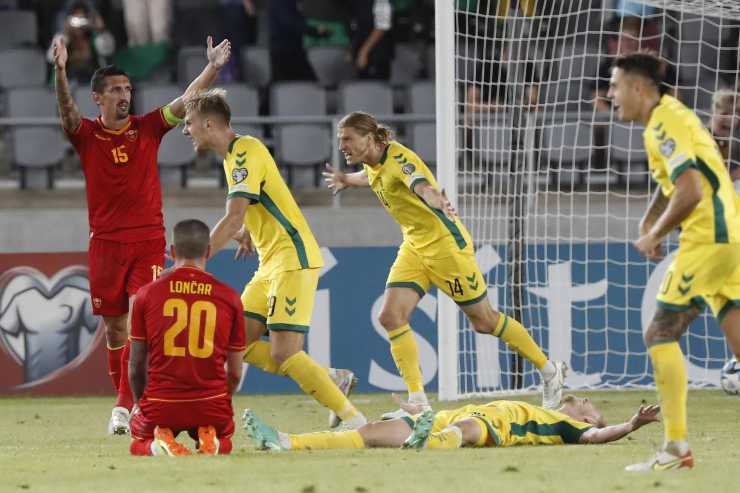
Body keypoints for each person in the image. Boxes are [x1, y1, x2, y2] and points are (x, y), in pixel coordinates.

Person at [322, 112, 567, 418]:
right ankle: (419, 403)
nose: (341, 145)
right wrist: (347, 179)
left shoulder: (399, 159)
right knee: (390, 316)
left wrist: (436, 198)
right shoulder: (373, 163)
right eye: (340, 139)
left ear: (369, 138)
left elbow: (420, 185)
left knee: (484, 322)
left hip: (445, 248)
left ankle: (549, 371)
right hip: (414, 247)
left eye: (347, 138)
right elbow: (371, 178)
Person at [52, 35, 231, 435]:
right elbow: (66, 113)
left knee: (137, 318)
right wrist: (61, 72)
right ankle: (127, 401)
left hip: (148, 240)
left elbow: (186, 99)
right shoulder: (86, 135)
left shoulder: (146, 128)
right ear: (97, 98)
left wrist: (213, 68)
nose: (124, 95)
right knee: (115, 328)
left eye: (128, 88)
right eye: (116, 90)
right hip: (105, 244)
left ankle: (124, 406)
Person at [181, 89, 367, 430]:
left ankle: (356, 422)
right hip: (270, 262)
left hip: (292, 259)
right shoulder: (233, 156)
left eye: (189, 123)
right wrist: (252, 231)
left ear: (208, 124)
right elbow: (261, 201)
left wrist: (196, 261)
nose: (185, 130)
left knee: (284, 352)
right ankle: (329, 379)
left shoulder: (245, 152)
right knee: (233, 342)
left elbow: (234, 215)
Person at [607, 52, 740, 471]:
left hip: (708, 239)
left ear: (638, 88)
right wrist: (650, 221)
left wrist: (657, 233)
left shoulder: (667, 121)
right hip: (727, 238)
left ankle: (676, 448)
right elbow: (675, 182)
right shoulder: (666, 120)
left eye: (614, 86)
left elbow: (690, 191)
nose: (610, 95)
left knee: (660, 332)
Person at [128, 219, 246, 456]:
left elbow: (136, 364)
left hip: (162, 403)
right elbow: (234, 373)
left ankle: (157, 444)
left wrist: (140, 403)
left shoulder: (146, 295)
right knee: (226, 438)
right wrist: (221, 399)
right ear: (209, 251)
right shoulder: (230, 297)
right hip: (211, 402)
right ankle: (213, 442)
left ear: (172, 252)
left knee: (136, 442)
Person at [243, 395, 661, 451]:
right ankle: (287, 441)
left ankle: (428, 440)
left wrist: (629, 425)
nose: (582, 399)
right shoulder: (545, 407)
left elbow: (596, 437)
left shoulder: (563, 426)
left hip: (490, 428)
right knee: (369, 432)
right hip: (446, 416)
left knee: (464, 433)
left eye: (587, 404)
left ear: (584, 418)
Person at [710, 89, 740, 183]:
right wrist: (736, 175)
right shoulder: (703, 138)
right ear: (713, 110)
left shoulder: (730, 144)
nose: (730, 120)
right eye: (725, 113)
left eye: (735, 116)